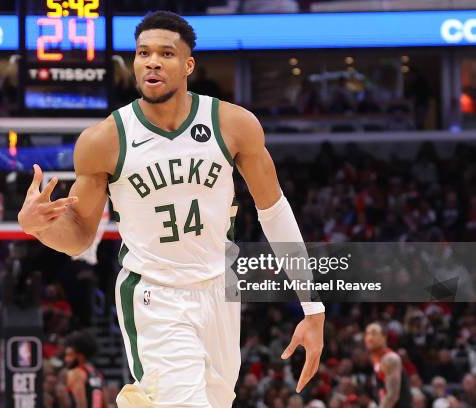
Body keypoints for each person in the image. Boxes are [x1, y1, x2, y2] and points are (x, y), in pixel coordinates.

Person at [18, 11, 325, 407]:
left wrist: (312, 306)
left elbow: (275, 212)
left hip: (220, 290)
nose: (152, 61)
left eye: (166, 53)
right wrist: (36, 227)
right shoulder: (104, 140)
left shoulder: (233, 124)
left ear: (188, 66)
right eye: (143, 52)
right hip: (154, 296)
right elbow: (78, 236)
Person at [364, 323, 413, 408]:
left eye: (374, 333)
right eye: (367, 334)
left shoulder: (390, 359)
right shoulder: (376, 360)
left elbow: (392, 396)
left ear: (384, 337)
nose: (369, 338)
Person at [64, 331, 106, 408]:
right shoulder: (96, 372)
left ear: (80, 355)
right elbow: (104, 403)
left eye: (70, 355)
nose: (66, 359)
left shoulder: (76, 373)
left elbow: (81, 404)